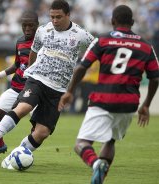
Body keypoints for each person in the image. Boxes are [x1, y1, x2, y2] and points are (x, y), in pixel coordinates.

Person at [0, 0, 94, 169]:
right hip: (37, 79)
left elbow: (98, 48)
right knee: (23, 108)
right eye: (52, 17)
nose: (54, 21)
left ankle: (13, 158)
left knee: (42, 133)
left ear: (68, 15)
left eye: (58, 17)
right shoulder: (43, 30)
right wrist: (30, 72)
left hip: (58, 89)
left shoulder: (81, 34)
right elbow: (34, 51)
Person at [58, 5, 159, 184]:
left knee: (81, 144)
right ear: (133, 23)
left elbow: (82, 67)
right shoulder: (146, 46)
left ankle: (96, 163)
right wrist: (146, 105)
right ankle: (100, 178)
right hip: (129, 103)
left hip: (104, 99)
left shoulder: (103, 40)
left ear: (112, 21)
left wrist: (70, 91)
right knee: (110, 141)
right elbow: (155, 78)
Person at [0, 10, 39, 162]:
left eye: (30, 25)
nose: (27, 29)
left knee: (38, 127)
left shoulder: (43, 43)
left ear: (37, 26)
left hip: (36, 90)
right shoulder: (20, 41)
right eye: (24, 25)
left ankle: (24, 154)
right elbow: (17, 64)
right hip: (16, 86)